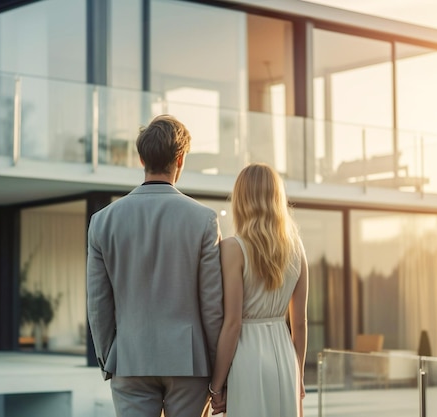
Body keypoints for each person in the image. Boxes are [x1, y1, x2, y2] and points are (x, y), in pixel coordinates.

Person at [86, 114, 224, 417]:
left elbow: (98, 304)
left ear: (141, 159)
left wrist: (110, 357)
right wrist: (218, 371)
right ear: (180, 159)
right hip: (190, 363)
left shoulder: (102, 221)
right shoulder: (204, 219)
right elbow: (212, 306)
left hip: (129, 358)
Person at [209, 163, 309, 417]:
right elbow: (299, 324)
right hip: (286, 359)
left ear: (241, 200)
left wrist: (216, 386)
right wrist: (298, 374)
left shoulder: (232, 249)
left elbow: (232, 324)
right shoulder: (297, 249)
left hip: (247, 358)